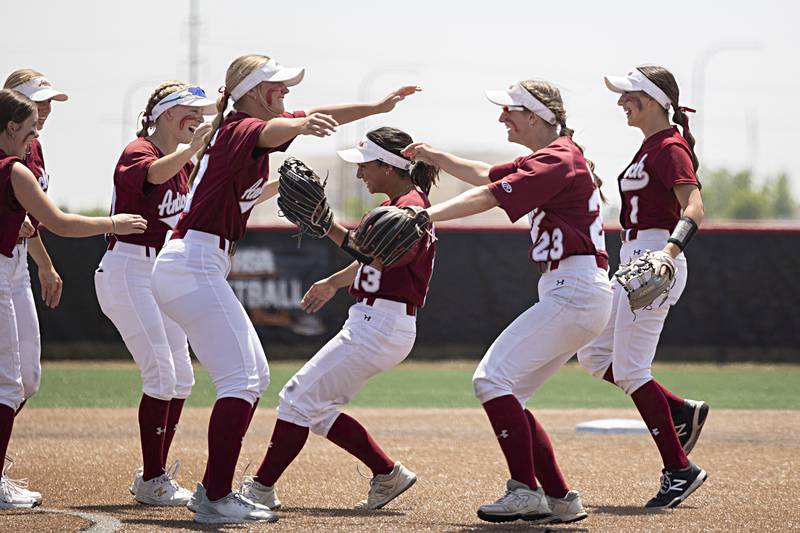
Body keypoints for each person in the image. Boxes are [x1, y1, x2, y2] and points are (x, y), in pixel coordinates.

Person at [150, 53, 419, 524]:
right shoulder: (241, 128)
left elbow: (319, 117)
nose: (286, 94)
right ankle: (214, 497)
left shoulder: (244, 126)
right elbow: (273, 132)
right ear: (253, 91)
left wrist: (375, 109)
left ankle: (216, 492)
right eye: (278, 87)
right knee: (242, 379)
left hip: (198, 264)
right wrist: (300, 125)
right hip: (192, 262)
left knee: (252, 376)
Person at [402, 79, 611, 524]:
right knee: (510, 393)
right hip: (576, 291)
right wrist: (435, 156)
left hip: (573, 289)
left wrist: (424, 213)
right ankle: (559, 498)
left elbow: (490, 196)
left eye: (510, 111)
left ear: (535, 116)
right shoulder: (554, 157)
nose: (502, 117)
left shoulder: (558, 158)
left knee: (490, 380)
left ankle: (525, 492)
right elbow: (486, 175)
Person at [241, 127, 437, 511]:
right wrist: (333, 282)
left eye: (366, 165)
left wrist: (326, 223)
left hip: (381, 323)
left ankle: (260, 488)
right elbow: (373, 256)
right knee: (314, 406)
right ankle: (386, 473)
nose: (361, 173)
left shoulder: (409, 207)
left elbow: (377, 255)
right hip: (377, 320)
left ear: (387, 164)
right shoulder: (403, 203)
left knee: (296, 398)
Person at [0, 88, 146, 508]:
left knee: (16, 382)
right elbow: (60, 223)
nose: (33, 140)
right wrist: (113, 221)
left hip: (10, 268)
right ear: (11, 127)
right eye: (28, 130)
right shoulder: (14, 169)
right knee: (8, 386)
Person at [577, 65, 708, 509]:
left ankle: (679, 469)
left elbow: (694, 206)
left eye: (628, 95)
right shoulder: (650, 147)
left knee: (633, 371)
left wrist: (669, 253)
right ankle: (678, 410)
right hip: (633, 258)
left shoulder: (670, 146)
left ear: (652, 99)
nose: (620, 103)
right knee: (594, 354)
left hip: (656, 258)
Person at [94, 81, 215, 506]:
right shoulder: (139, 151)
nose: (199, 119)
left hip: (160, 270)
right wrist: (194, 146)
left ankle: (154, 476)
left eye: (201, 114)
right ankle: (152, 478)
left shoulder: (181, 163)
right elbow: (151, 175)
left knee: (182, 376)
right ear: (164, 114)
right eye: (189, 112)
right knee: (161, 374)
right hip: (127, 268)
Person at [3, 69, 68, 415]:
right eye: (37, 101)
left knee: (27, 377)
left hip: (18, 263)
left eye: (49, 102)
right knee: (8, 379)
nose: (45, 109)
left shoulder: (33, 147)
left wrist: (44, 264)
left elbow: (32, 220)